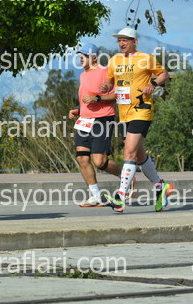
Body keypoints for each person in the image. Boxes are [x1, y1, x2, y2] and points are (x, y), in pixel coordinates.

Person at [99, 27, 172, 213]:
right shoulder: (114, 60)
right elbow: (110, 81)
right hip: (124, 113)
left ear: (135, 42)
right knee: (138, 155)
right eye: (119, 40)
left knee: (129, 151)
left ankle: (120, 197)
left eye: (125, 40)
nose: (121, 43)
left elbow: (164, 74)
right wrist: (106, 86)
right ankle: (160, 186)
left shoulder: (145, 58)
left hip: (142, 110)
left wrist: (153, 84)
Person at [69, 42, 130, 207]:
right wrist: (78, 109)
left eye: (85, 56)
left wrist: (97, 98)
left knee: (99, 162)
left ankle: (126, 178)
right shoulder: (83, 75)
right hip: (84, 120)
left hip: (102, 119)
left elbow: (118, 94)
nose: (81, 58)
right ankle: (96, 196)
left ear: (94, 57)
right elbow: (86, 99)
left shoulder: (105, 72)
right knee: (82, 158)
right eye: (80, 56)